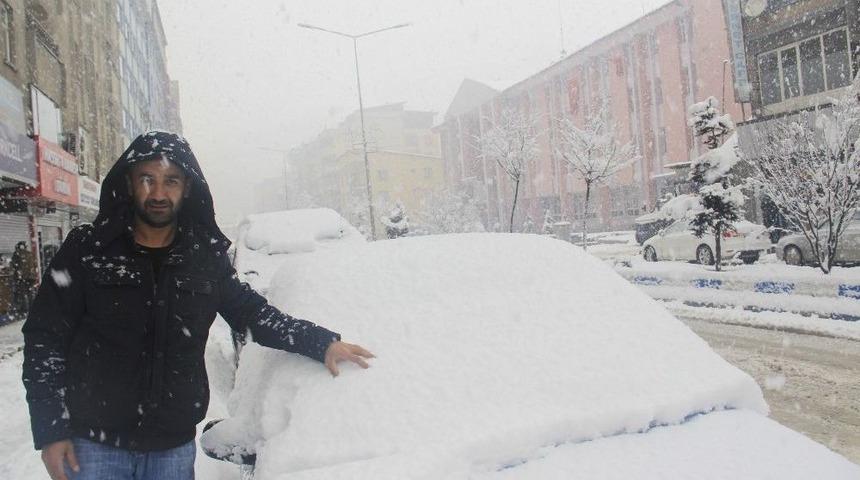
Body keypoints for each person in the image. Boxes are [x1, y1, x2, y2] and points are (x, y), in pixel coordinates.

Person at [22, 131, 374, 480]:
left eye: (171, 181)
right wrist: (51, 430)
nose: (158, 192)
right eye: (147, 178)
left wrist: (321, 342)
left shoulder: (203, 258)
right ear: (129, 183)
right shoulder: (88, 249)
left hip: (171, 451)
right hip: (93, 448)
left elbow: (254, 314)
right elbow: (44, 339)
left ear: (187, 188)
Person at [11, 240, 36, 318]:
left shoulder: (17, 254)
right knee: (30, 293)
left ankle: (24, 310)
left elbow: (14, 266)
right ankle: (32, 309)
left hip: (22, 277)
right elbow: (34, 265)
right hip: (31, 277)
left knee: (22, 294)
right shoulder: (30, 254)